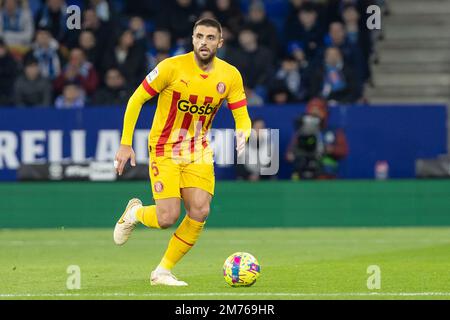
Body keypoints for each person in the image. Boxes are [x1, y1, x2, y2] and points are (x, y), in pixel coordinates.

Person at [113, 18, 251, 286]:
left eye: (211, 37)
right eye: (199, 36)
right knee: (167, 217)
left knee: (199, 210)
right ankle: (134, 214)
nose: (204, 42)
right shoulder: (171, 67)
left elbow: (242, 115)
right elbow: (136, 99)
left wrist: (243, 131)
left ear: (220, 43)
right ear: (192, 38)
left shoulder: (230, 75)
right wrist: (125, 143)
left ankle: (162, 271)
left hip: (197, 149)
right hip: (165, 146)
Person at [286, 97, 348, 179]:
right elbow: (289, 154)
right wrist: (295, 155)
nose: (315, 115)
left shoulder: (334, 132)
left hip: (326, 175)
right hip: (302, 172)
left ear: (325, 112)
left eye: (318, 110)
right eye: (312, 112)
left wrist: (329, 149)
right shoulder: (301, 133)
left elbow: (343, 151)